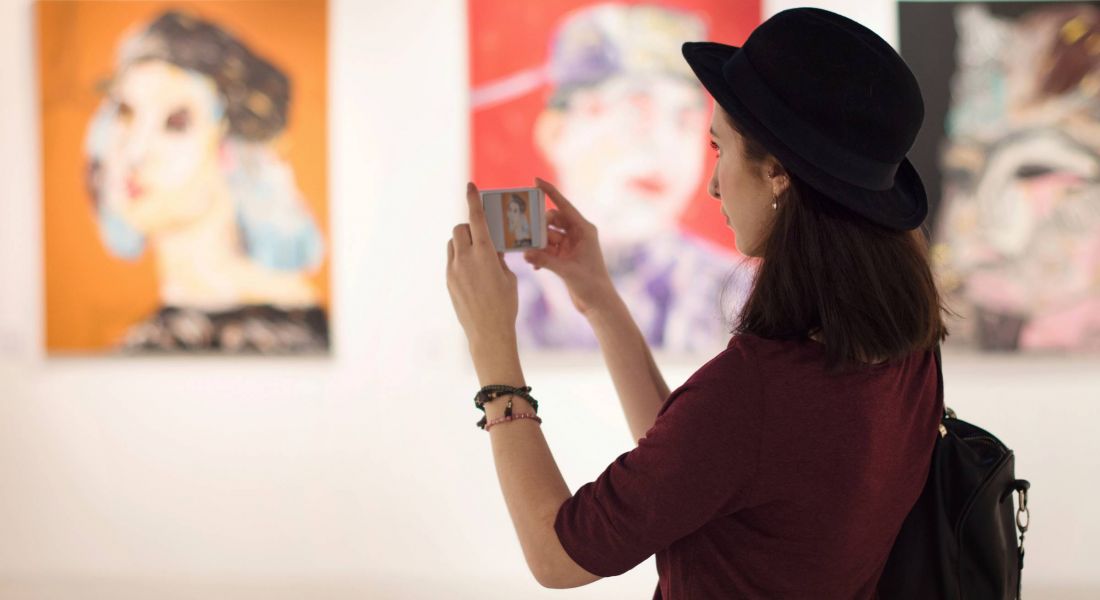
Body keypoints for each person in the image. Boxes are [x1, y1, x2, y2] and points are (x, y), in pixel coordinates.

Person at [517, 8, 948, 597]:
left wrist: (493, 355)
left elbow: (557, 556)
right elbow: (700, 464)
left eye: (718, 147)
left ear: (776, 173)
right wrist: (600, 299)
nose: (714, 183)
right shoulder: (906, 352)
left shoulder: (760, 390)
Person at [504, 2, 754, 355]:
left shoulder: (740, 295)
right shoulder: (505, 292)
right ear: (558, 131)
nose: (664, 145)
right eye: (636, 113)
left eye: (684, 120)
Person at [84, 10, 328, 353]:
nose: (134, 152)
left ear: (229, 146)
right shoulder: (146, 342)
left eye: (176, 122)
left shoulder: (293, 333)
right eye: (125, 113)